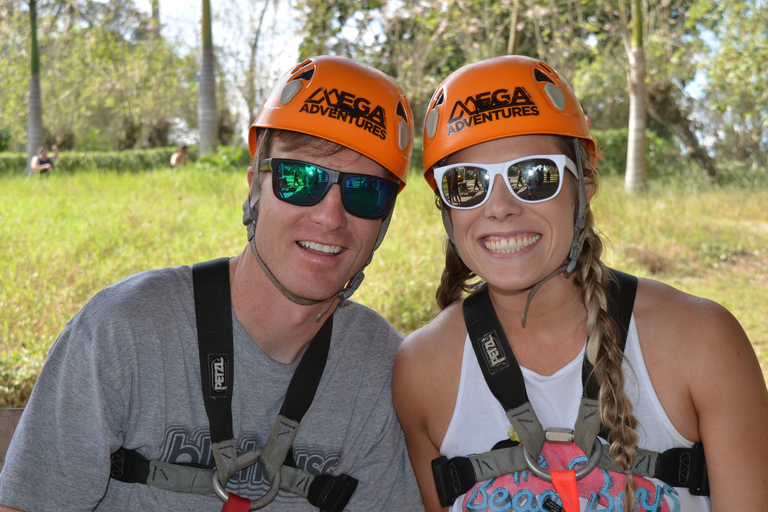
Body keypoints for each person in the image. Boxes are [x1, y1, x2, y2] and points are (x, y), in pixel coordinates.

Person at [0, 55, 423, 511]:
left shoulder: (382, 371)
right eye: (300, 179)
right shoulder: (123, 332)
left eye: (366, 191)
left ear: (383, 225)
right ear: (255, 190)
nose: (330, 216)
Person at [392, 55, 768, 512]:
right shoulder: (422, 370)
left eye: (534, 176)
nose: (500, 207)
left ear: (583, 183)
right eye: (468, 183)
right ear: (446, 206)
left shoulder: (701, 341)